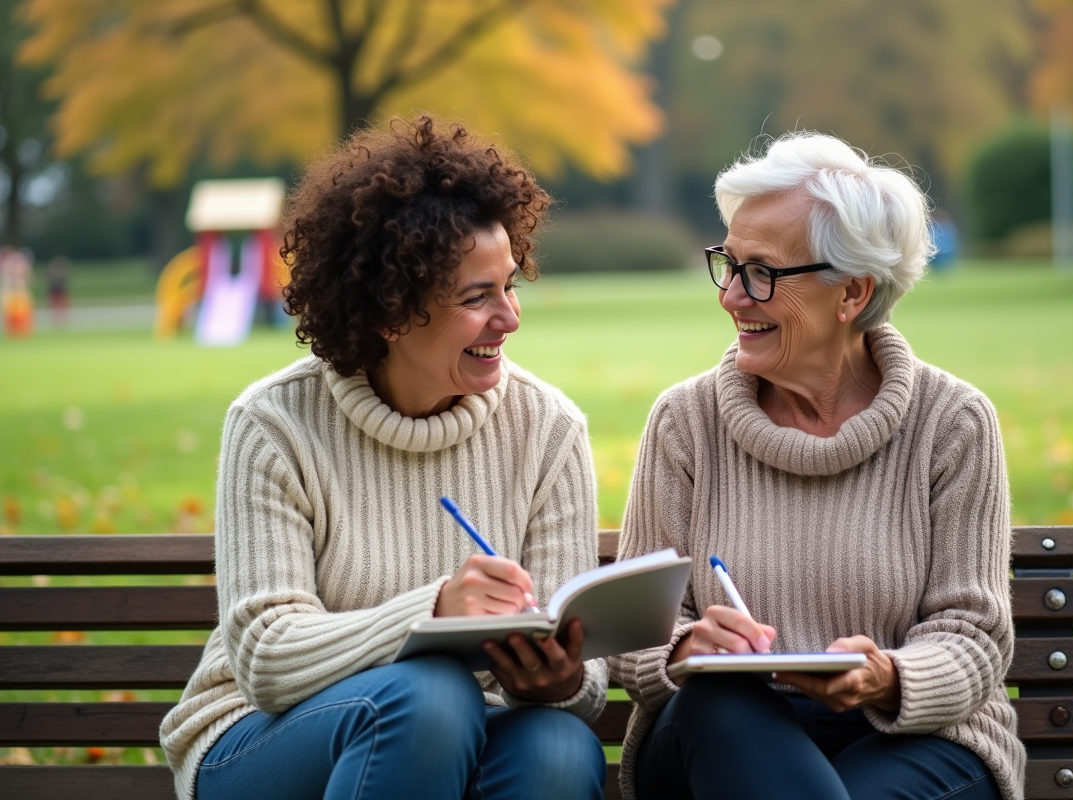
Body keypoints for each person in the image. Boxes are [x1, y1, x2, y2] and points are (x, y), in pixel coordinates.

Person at [160, 117, 607, 800]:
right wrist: (436, 611)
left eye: (510, 285)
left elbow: (584, 687)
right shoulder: (275, 423)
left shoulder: (548, 430)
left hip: (472, 731)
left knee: (559, 747)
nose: (511, 317)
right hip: (261, 737)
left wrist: (561, 680)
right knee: (429, 698)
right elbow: (267, 661)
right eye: (476, 297)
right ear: (391, 313)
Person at [609, 132, 1023, 800]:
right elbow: (633, 631)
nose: (732, 297)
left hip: (907, 736)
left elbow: (972, 638)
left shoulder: (952, 423)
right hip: (718, 734)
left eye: (762, 273)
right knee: (723, 709)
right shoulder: (686, 422)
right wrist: (688, 650)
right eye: (729, 264)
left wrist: (886, 676)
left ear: (852, 292)